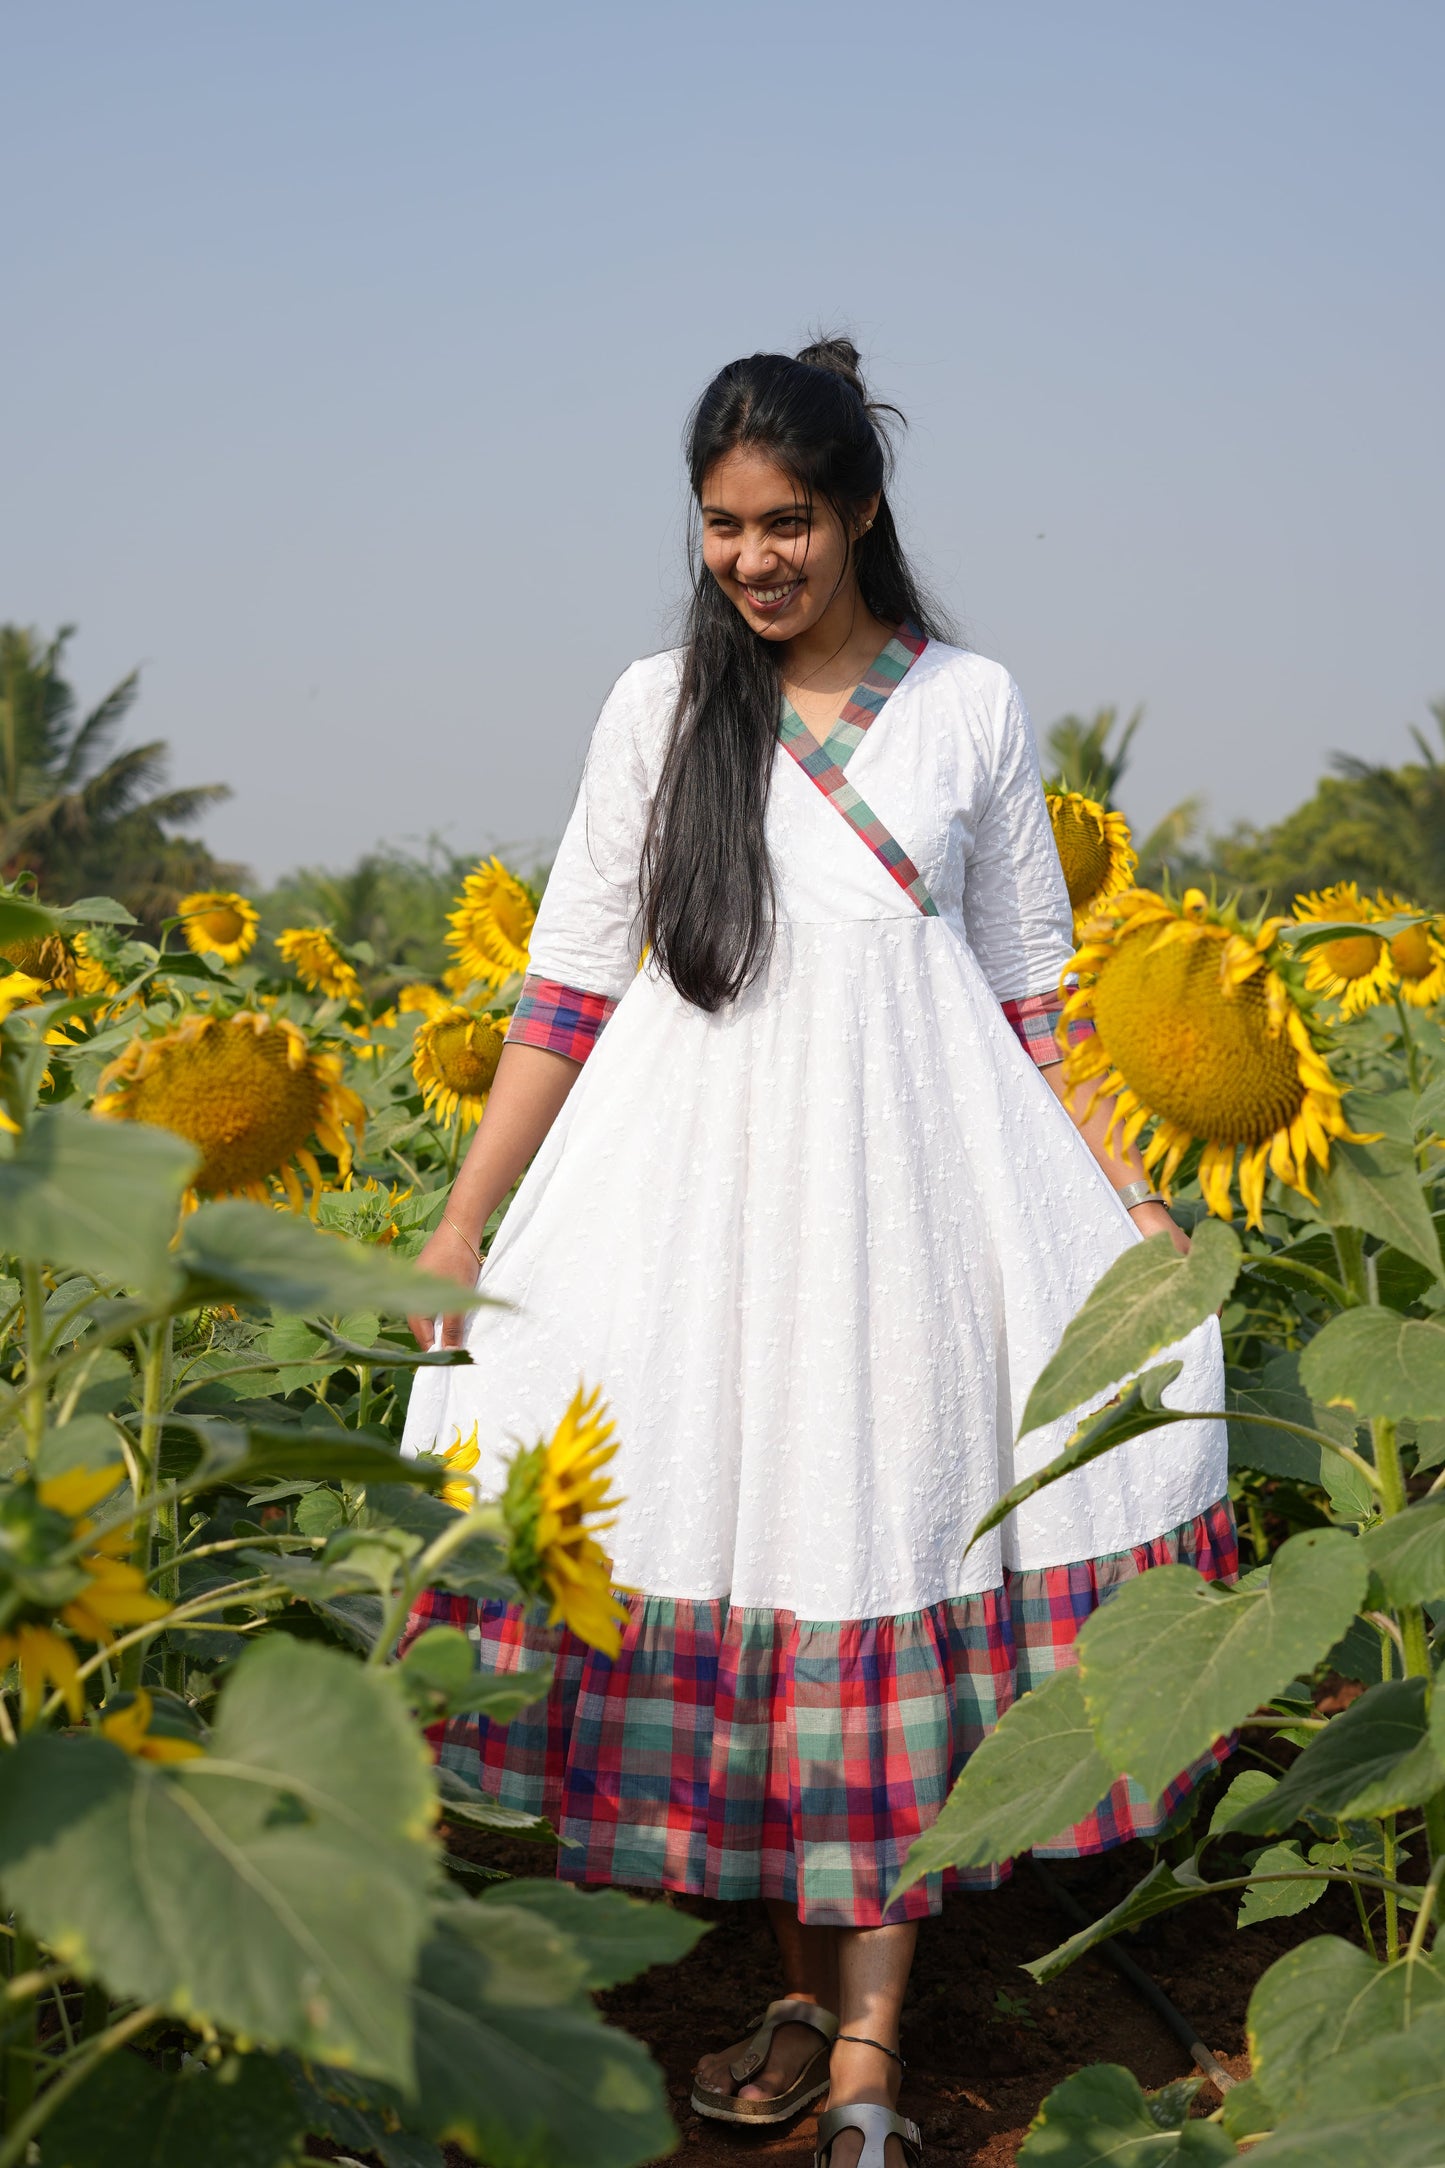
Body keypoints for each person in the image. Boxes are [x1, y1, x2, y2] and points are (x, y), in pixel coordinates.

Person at [404, 339, 1231, 2168]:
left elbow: (1038, 992)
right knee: (748, 1538)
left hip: (909, 1207)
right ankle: (802, 1994)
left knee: (874, 1529)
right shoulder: (655, 709)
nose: (755, 559)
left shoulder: (969, 707)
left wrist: (1137, 1197)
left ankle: (865, 2049)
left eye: (788, 521)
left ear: (859, 511)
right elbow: (564, 991)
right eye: (722, 525)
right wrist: (464, 1224)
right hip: (694, 1211)